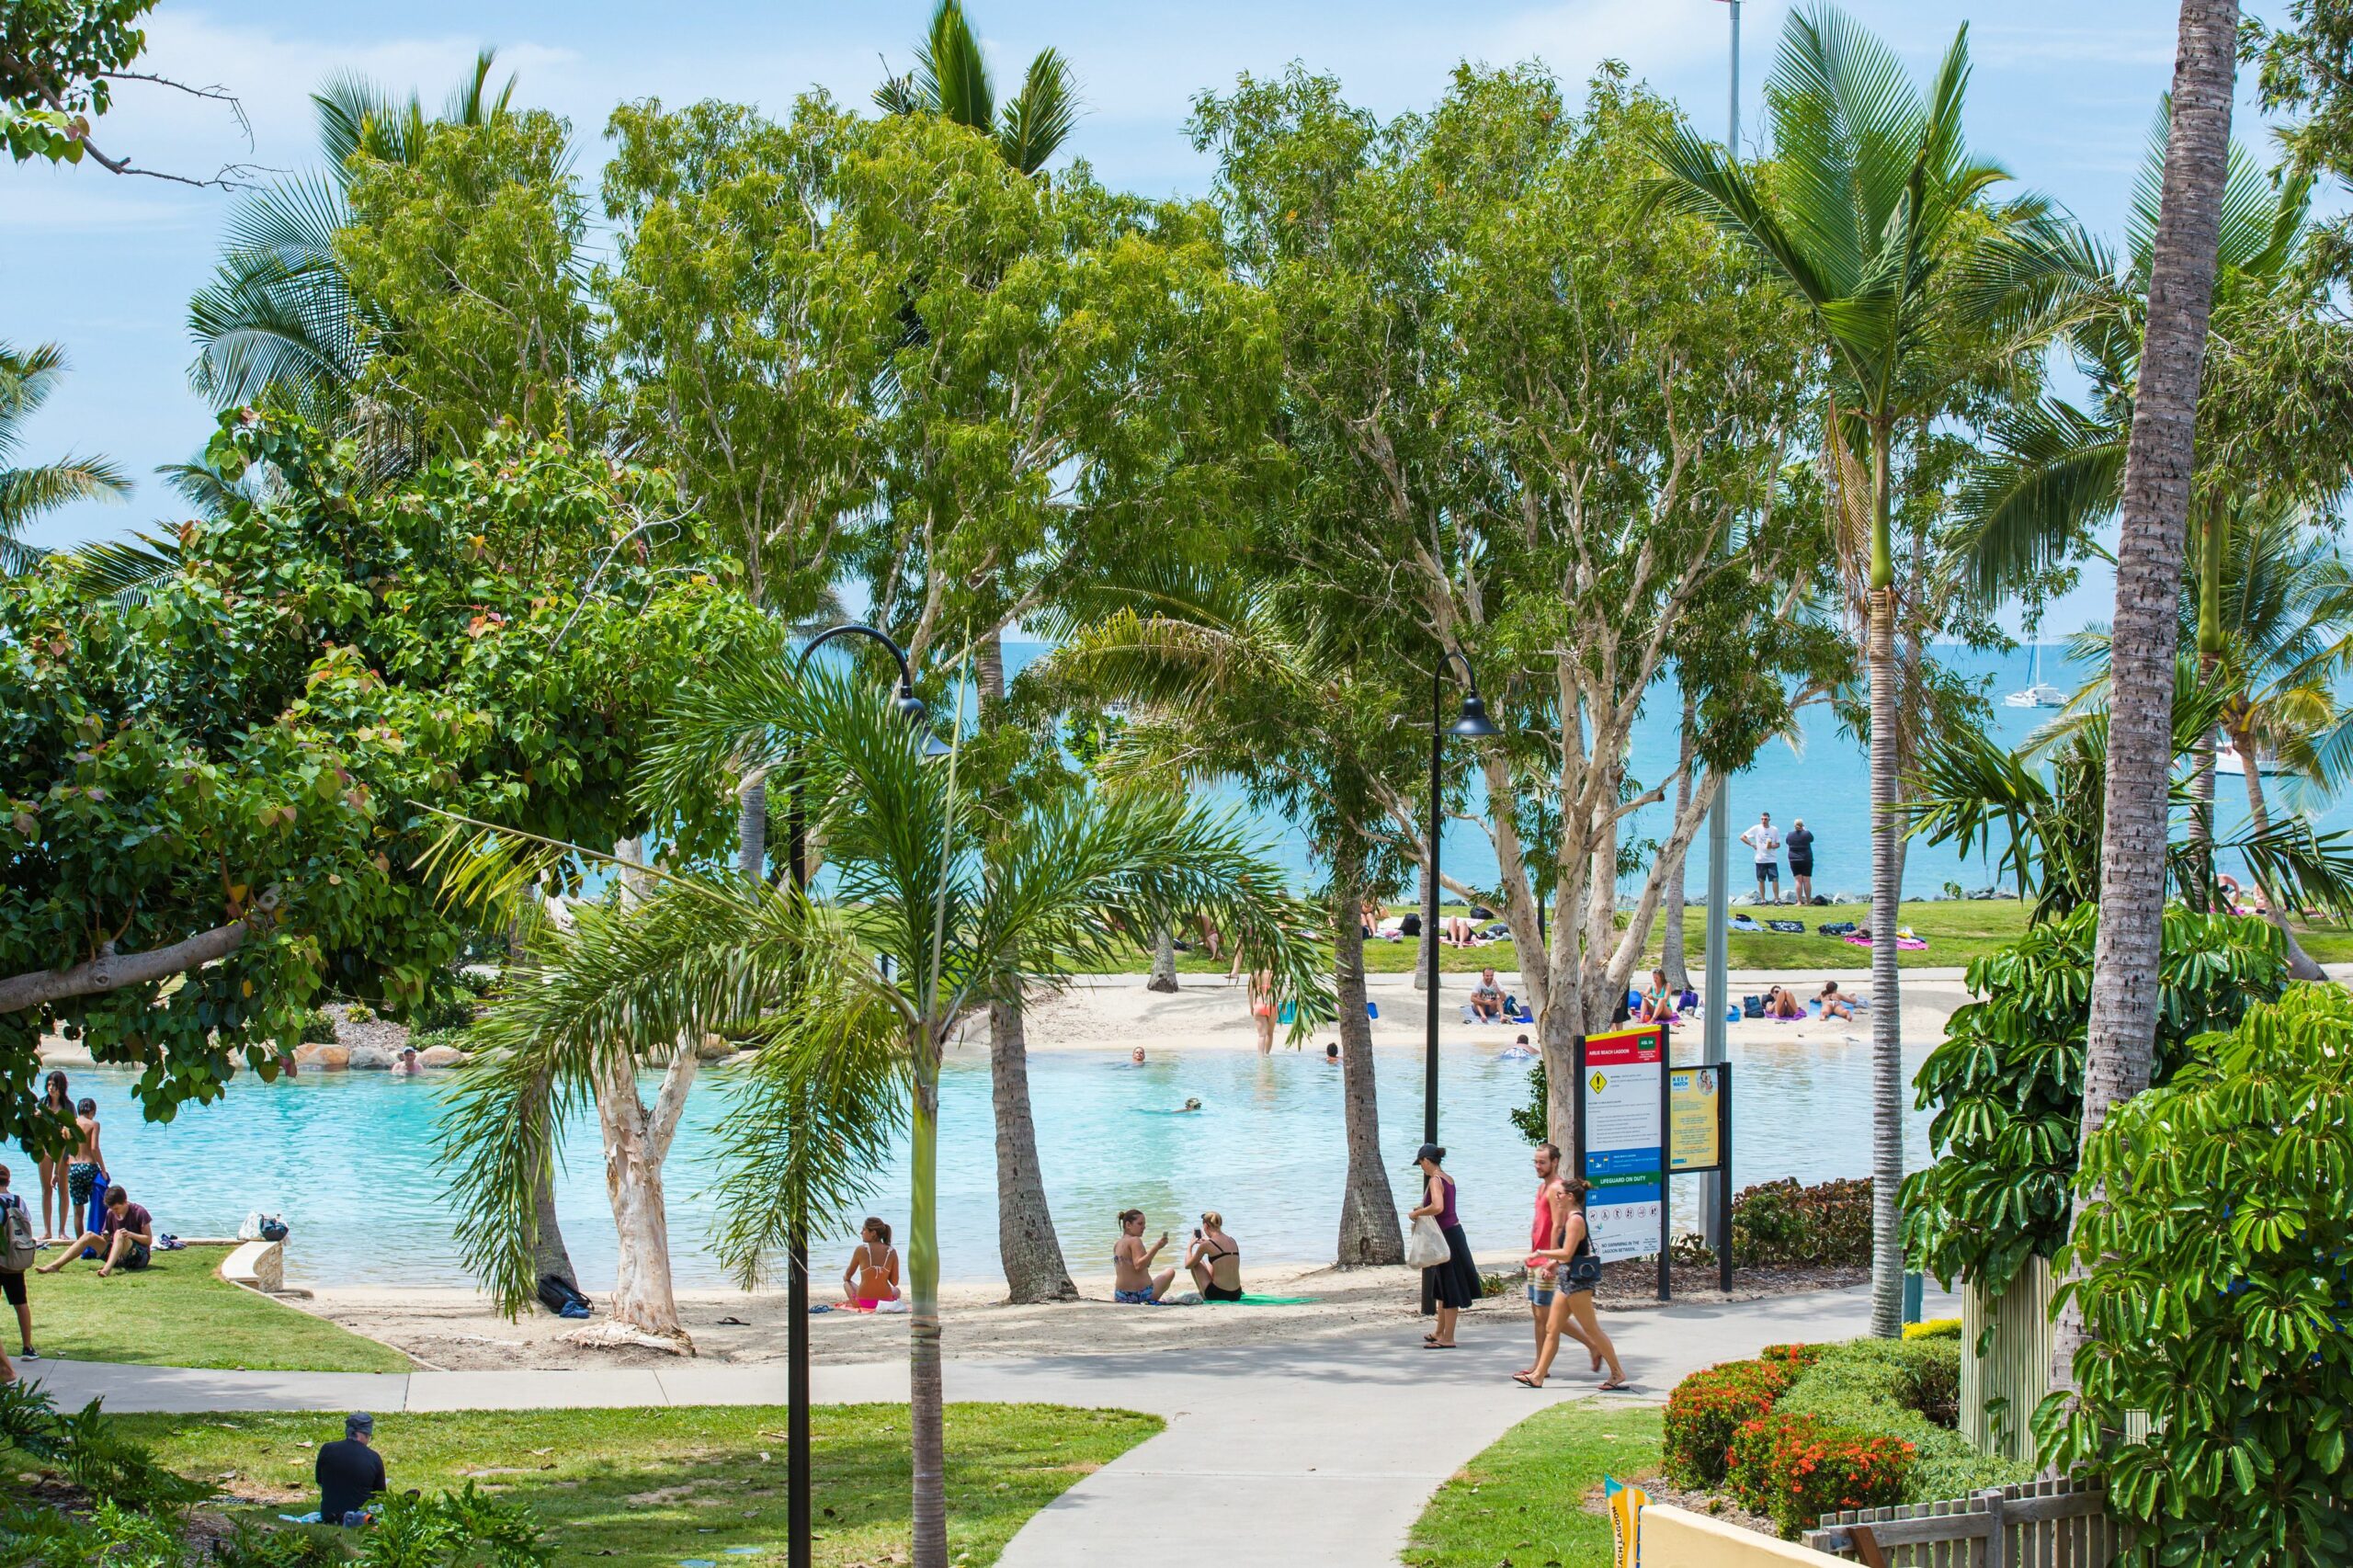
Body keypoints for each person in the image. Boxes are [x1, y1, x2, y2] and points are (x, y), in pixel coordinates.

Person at [1518, 1177, 1629, 1390]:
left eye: (1560, 1194)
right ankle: (1538, 1375)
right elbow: (1566, 1256)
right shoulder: (1570, 1218)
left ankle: (1617, 1372)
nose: (1557, 1197)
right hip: (1566, 1279)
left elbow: (1568, 1253)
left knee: (1592, 1329)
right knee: (1552, 1327)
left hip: (1577, 1284)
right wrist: (1552, 1265)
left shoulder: (1576, 1220)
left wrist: (1542, 1253)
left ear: (1570, 1197)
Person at [1517, 1142, 1593, 1381]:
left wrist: (1551, 1260)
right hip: (1537, 1258)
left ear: (1555, 1162)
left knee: (1548, 1316)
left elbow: (1559, 1226)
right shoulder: (1543, 1187)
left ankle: (1592, 1344)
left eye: (1543, 1162)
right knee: (1539, 1316)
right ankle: (1540, 1365)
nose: (1538, 1166)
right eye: (1536, 1162)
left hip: (1546, 1261)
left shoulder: (1556, 1188)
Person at [1408, 1144, 1481, 1348]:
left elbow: (1438, 1207)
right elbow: (1444, 1207)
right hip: (1454, 1234)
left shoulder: (1435, 1180)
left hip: (1447, 1236)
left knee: (1450, 1286)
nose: (1421, 1167)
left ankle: (1448, 1338)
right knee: (1442, 1287)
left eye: (1421, 1163)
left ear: (1426, 1161)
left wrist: (1417, 1214)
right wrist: (1423, 1209)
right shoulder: (1448, 1179)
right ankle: (1439, 1331)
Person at [40, 1186, 152, 1277]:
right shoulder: (110, 1213)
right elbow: (107, 1239)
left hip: (139, 1257)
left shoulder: (139, 1212)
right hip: (118, 1256)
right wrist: (106, 1236)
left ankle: (107, 1269)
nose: (114, 1212)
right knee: (89, 1235)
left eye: (116, 1209)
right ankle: (54, 1266)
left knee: (119, 1233)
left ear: (125, 1202)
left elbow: (148, 1240)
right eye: (112, 1209)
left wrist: (130, 1234)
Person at [316, 1412, 388, 1527]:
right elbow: (380, 1493)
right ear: (365, 1434)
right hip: (360, 1515)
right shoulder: (373, 1457)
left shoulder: (327, 1449)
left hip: (329, 1515)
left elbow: (320, 1481)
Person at [0, 1166, 33, 1371]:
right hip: (14, 1259)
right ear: (8, 1181)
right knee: (20, 1302)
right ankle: (27, 1347)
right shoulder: (19, 1201)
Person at [1112, 1210, 1176, 1304]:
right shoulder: (1135, 1240)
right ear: (1128, 1225)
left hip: (1120, 1295)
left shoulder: (1117, 1244)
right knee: (1170, 1271)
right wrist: (1157, 1246)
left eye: (1144, 1224)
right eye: (1140, 1224)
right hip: (1140, 1295)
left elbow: (1131, 1266)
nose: (1144, 1227)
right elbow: (1139, 1266)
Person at [33, 1072, 69, 1241]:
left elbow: (70, 1133)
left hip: (63, 1152)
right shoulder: (41, 1103)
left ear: (61, 1086)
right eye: (48, 1085)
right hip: (45, 1150)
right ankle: (47, 1230)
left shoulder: (68, 1106)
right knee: (46, 1190)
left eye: (53, 1085)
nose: (50, 1088)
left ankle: (62, 1230)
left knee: (63, 1190)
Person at [64, 1099, 104, 1240]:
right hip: (89, 1167)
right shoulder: (94, 1124)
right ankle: (95, 1239)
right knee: (97, 1206)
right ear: (92, 1111)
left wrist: (56, 1174)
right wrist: (103, 1170)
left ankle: (81, 1243)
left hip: (73, 1168)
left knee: (77, 1209)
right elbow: (94, 1148)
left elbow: (64, 1150)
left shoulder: (68, 1126)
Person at [840, 1217, 901, 1308]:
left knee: (846, 1283)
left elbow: (848, 1276)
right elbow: (894, 1282)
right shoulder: (891, 1251)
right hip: (885, 1302)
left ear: (873, 1233)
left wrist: (846, 1277)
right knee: (896, 1290)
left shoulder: (860, 1249)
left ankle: (858, 1298)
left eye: (864, 1230)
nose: (861, 1233)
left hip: (862, 1302)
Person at [1186, 1211, 1244, 1301]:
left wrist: (1190, 1246)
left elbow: (1188, 1265)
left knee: (1197, 1262)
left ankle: (1203, 1293)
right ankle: (1204, 1291)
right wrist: (1208, 1242)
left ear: (1206, 1226)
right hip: (1236, 1294)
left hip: (1218, 1294)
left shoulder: (1207, 1244)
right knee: (1213, 1263)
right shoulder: (1232, 1241)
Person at [1739, 812, 1781, 904]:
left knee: (1775, 879)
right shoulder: (1756, 828)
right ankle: (1763, 900)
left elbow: (1778, 844)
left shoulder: (1774, 830)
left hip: (1771, 859)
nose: (1763, 821)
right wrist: (1752, 844)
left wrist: (1771, 846)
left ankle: (1777, 899)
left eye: (1765, 819)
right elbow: (1742, 837)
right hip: (1760, 859)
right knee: (1761, 880)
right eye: (1762, 819)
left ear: (1769, 819)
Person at [1786, 818, 1816, 904]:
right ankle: (1808, 901)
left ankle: (1799, 901)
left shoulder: (1790, 835)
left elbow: (1787, 842)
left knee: (1798, 880)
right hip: (1806, 858)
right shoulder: (1807, 833)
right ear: (1802, 825)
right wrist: (1804, 830)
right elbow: (1812, 839)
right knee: (1807, 880)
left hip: (1794, 859)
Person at [1248, 968, 1277, 1053]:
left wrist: (1251, 1007)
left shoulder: (1254, 974)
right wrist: (1284, 1004)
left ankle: (1261, 1060)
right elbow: (1278, 990)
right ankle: (1267, 1056)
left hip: (1259, 1004)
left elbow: (1250, 993)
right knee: (1270, 1033)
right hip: (1271, 1005)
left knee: (1261, 1036)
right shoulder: (1272, 973)